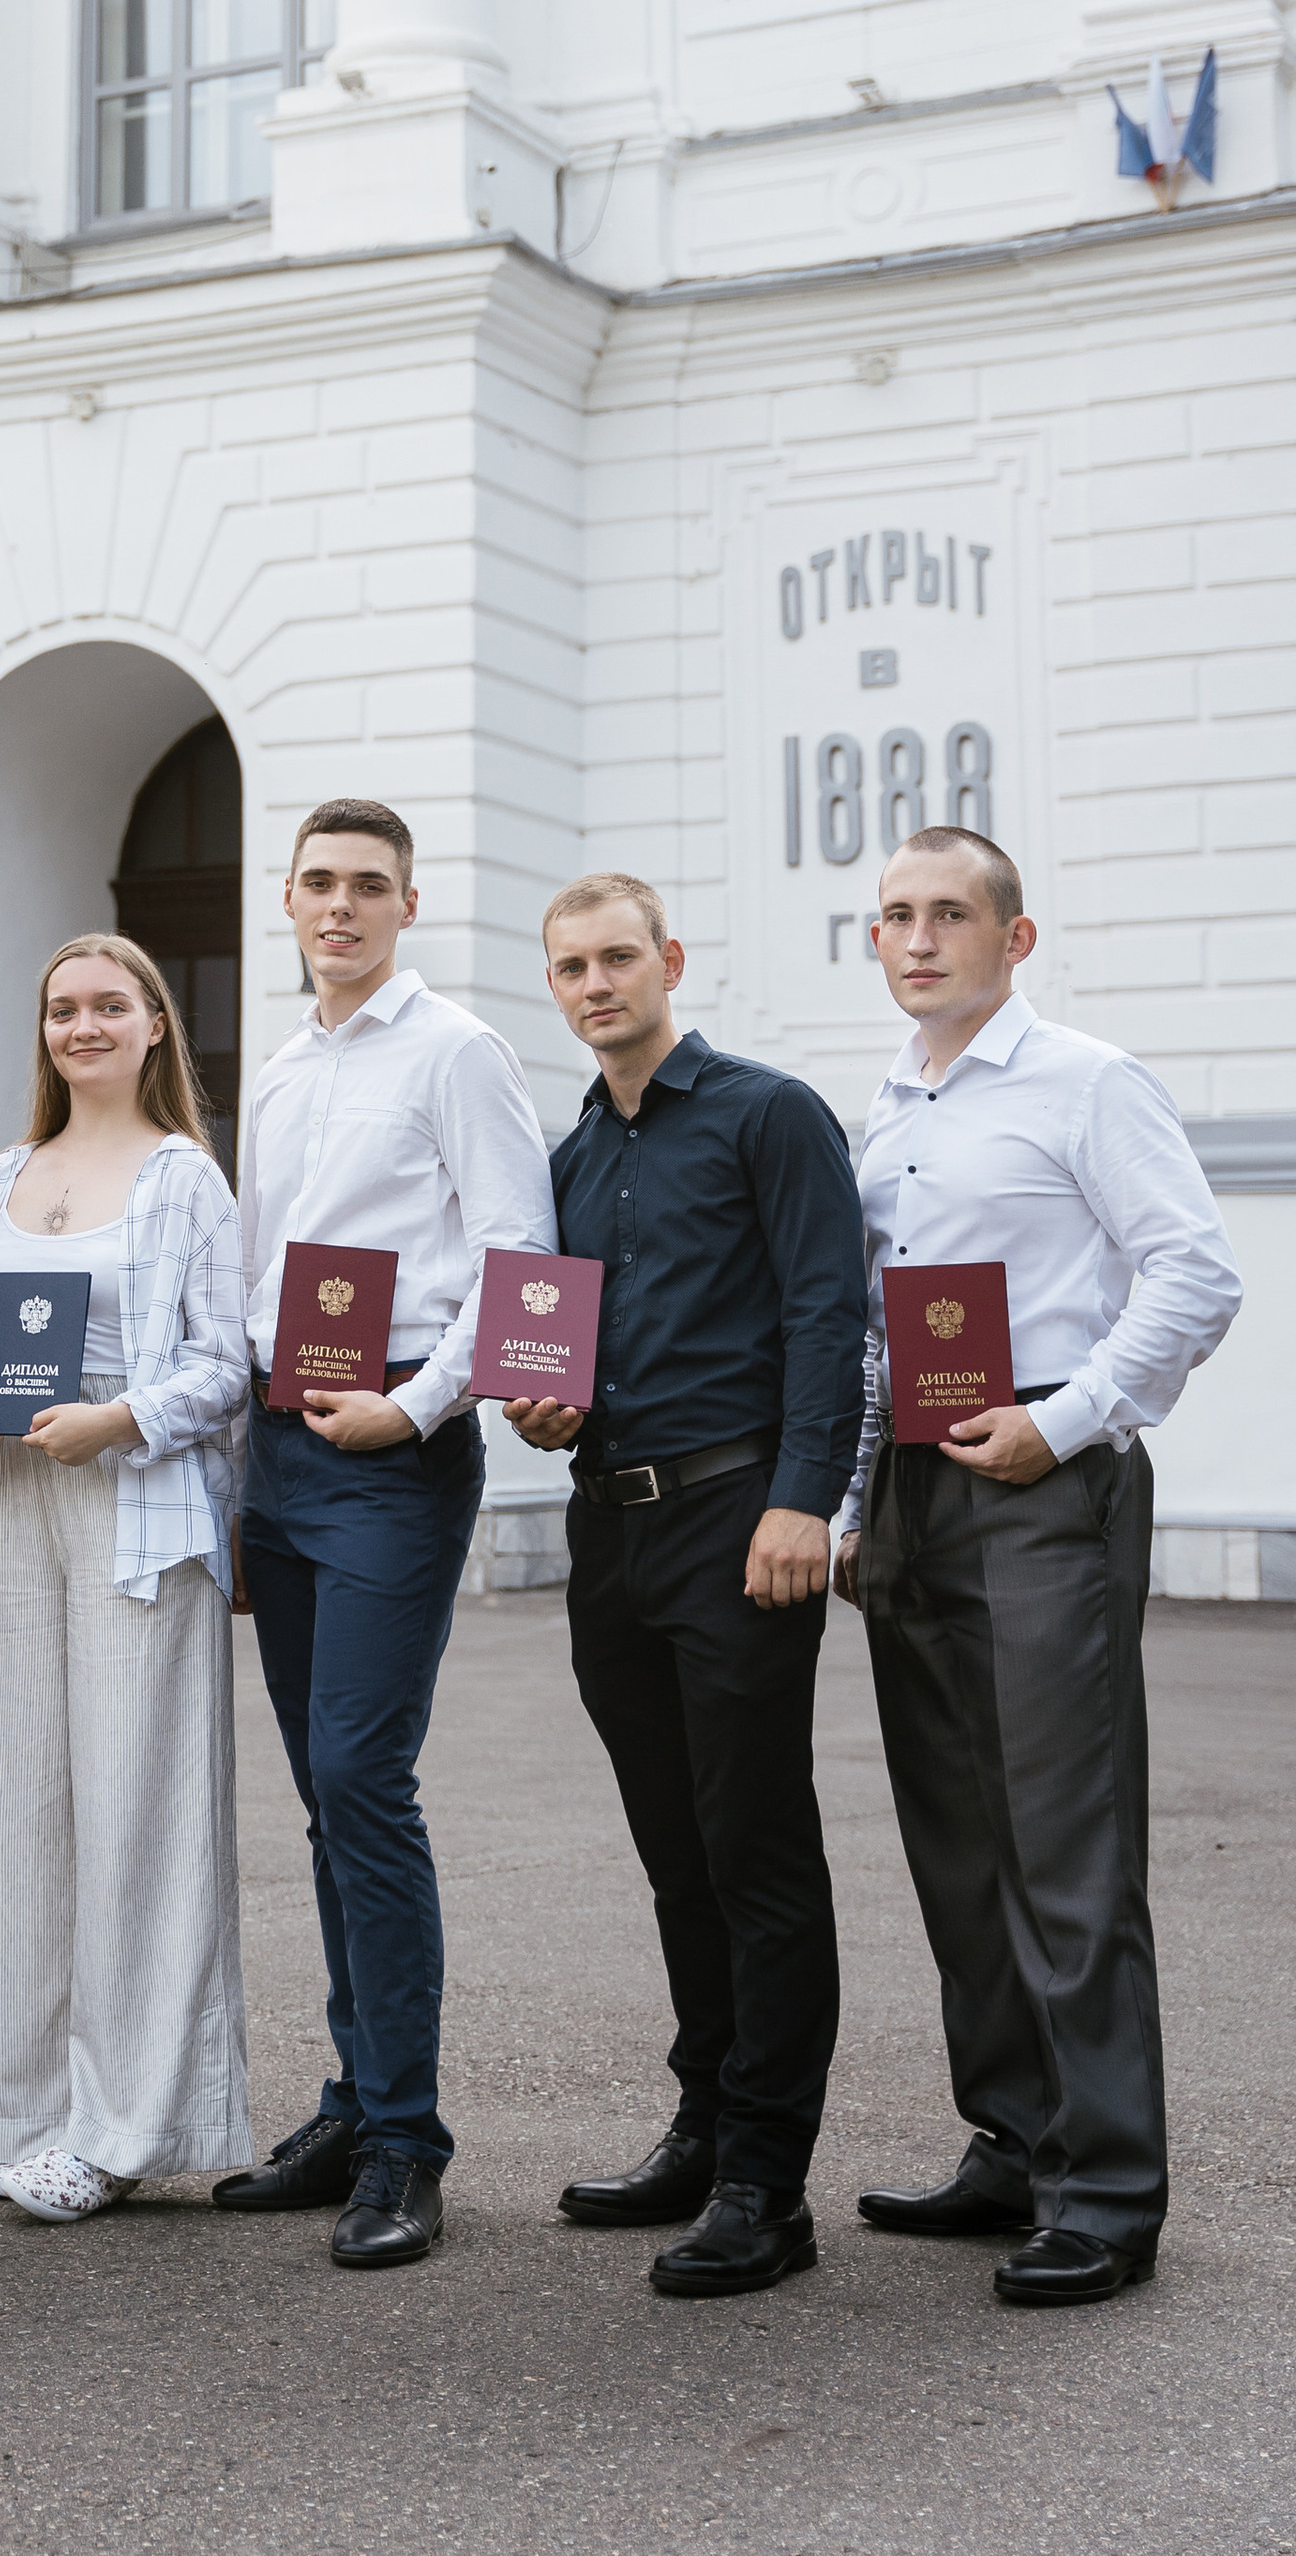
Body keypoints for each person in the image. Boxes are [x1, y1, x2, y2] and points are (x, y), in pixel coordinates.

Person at [835, 823, 1241, 2309]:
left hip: (1045, 1494)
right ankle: (1015, 2139)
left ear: (1016, 934)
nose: (921, 938)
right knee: (959, 1842)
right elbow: (878, 1340)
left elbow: (1196, 1272)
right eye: (895, 916)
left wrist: (1067, 1421)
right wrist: (851, 1503)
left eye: (951, 913)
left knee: (1066, 1848)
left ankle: (1111, 2189)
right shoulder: (883, 1114)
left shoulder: (1085, 1081)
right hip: (915, 1503)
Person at [498, 874, 866, 2297]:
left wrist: (804, 1500)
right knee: (678, 1858)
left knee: (758, 1849)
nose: (597, 983)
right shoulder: (574, 1153)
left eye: (618, 957)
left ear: (671, 961)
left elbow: (829, 1310)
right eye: (572, 966)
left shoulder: (768, 1112)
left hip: (739, 1520)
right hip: (614, 1530)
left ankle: (771, 2184)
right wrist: (548, 1410)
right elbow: (574, 1356)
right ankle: (708, 2125)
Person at [213, 801, 556, 2270]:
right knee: (324, 1793)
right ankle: (356, 2101)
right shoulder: (283, 1065)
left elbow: (524, 1260)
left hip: (392, 1465)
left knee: (365, 1777)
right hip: (282, 1460)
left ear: (409, 903)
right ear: (287, 899)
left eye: (370, 887)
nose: (342, 908)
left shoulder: (458, 1052)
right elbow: (252, 1267)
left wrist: (414, 1409)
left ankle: (408, 2141)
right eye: (321, 885)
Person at [0, 933, 250, 2221]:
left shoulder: (187, 1182)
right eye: (63, 1007)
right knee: (19, 1811)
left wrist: (117, 1420)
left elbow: (227, 1368)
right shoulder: (3, 1175)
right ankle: (20, 2110)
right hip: (19, 1508)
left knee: (138, 1820)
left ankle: (124, 2128)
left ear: (155, 1024)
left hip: (135, 1514)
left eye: (110, 1005)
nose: (83, 1025)